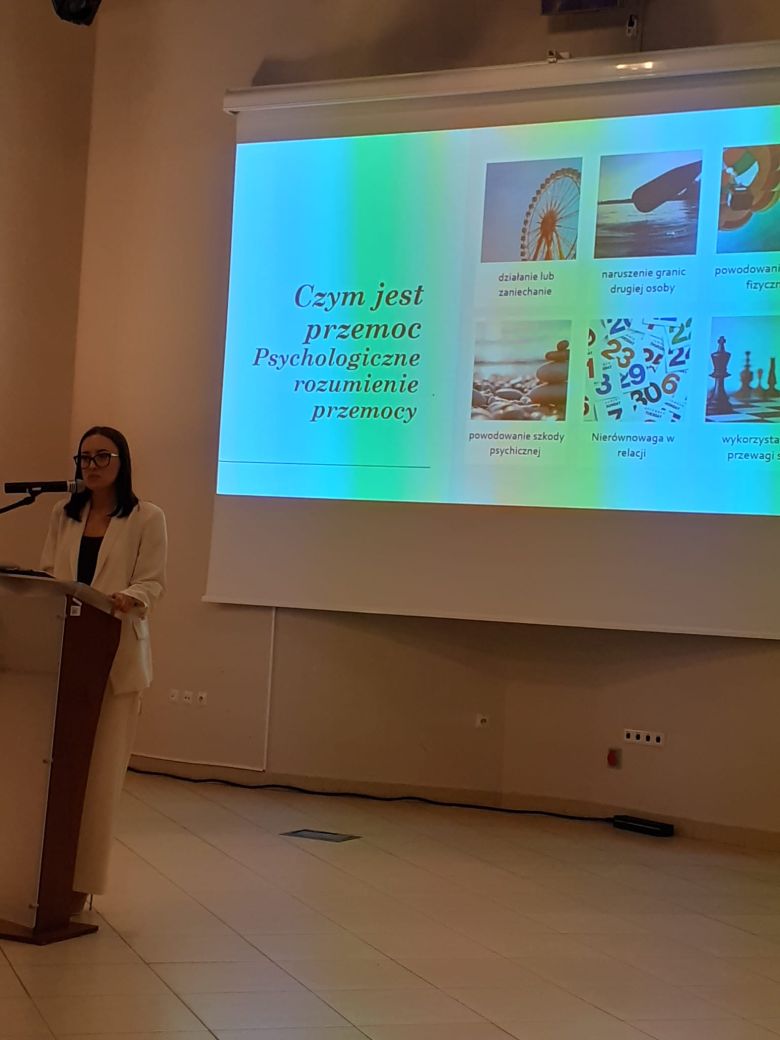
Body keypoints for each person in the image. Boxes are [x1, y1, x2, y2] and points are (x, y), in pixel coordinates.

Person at [41, 426, 167, 912]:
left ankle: (82, 884)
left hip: (114, 658)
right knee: (54, 775)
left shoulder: (146, 516)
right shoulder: (63, 513)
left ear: (121, 461)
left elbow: (152, 583)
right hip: (62, 656)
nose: (91, 466)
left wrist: (126, 598)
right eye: (84, 458)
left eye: (102, 457)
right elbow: (49, 575)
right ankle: (45, 879)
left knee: (98, 780)